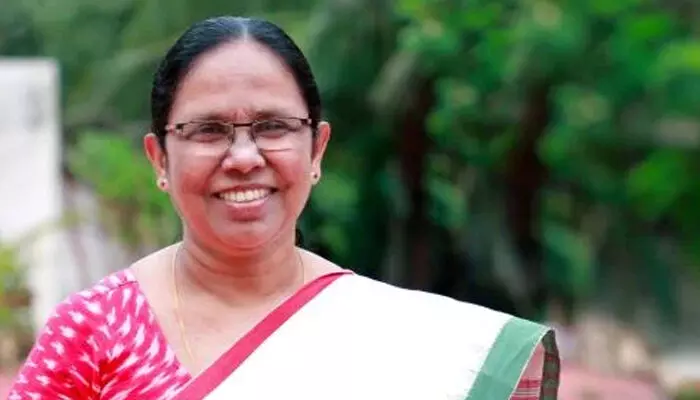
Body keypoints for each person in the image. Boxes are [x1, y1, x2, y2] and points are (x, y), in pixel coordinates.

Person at [7, 16, 560, 400]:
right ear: (159, 158)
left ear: (316, 149)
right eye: (208, 130)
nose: (244, 157)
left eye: (273, 126)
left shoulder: (399, 340)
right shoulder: (96, 330)